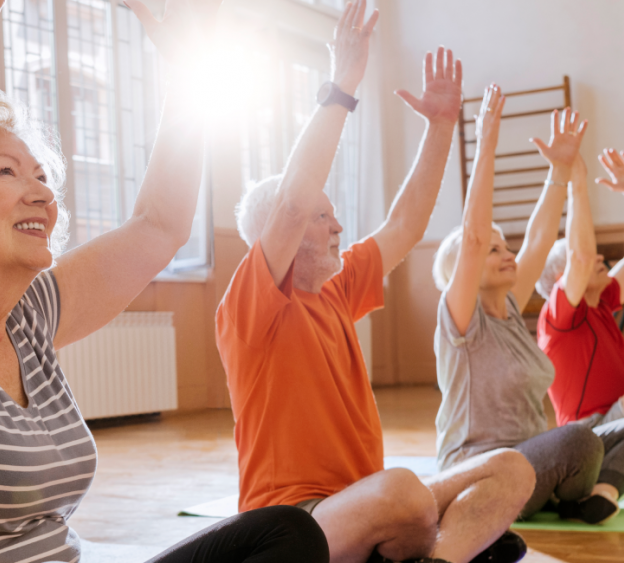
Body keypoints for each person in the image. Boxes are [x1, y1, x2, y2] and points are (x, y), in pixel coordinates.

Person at [0, 0, 333, 560]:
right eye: (7, 172)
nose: (42, 193)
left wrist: (188, 76)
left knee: (286, 535)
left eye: (42, 177)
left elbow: (160, 225)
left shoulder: (31, 315)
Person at [216, 3, 535, 561]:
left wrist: (440, 127)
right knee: (404, 494)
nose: (338, 225)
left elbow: (407, 224)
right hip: (298, 523)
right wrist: (342, 84)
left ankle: (435, 558)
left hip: (369, 502)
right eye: (323, 217)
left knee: (510, 468)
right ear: (283, 234)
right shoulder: (252, 304)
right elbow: (291, 204)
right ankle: (444, 543)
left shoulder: (338, 288)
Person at [432, 90, 622, 525]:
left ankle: (588, 492)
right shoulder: (460, 321)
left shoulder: (512, 312)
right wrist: (487, 142)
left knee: (598, 436)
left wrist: (559, 171)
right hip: (481, 472)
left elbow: (538, 239)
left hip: (536, 461)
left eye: (504, 246)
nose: (504, 252)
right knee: (577, 442)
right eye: (491, 249)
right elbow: (475, 234)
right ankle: (574, 490)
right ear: (465, 269)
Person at [530, 148, 624, 523]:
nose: (600, 257)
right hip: (585, 437)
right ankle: (600, 488)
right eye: (587, 257)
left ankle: (603, 491)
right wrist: (578, 182)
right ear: (561, 279)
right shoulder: (559, 319)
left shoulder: (603, 303)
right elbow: (582, 258)